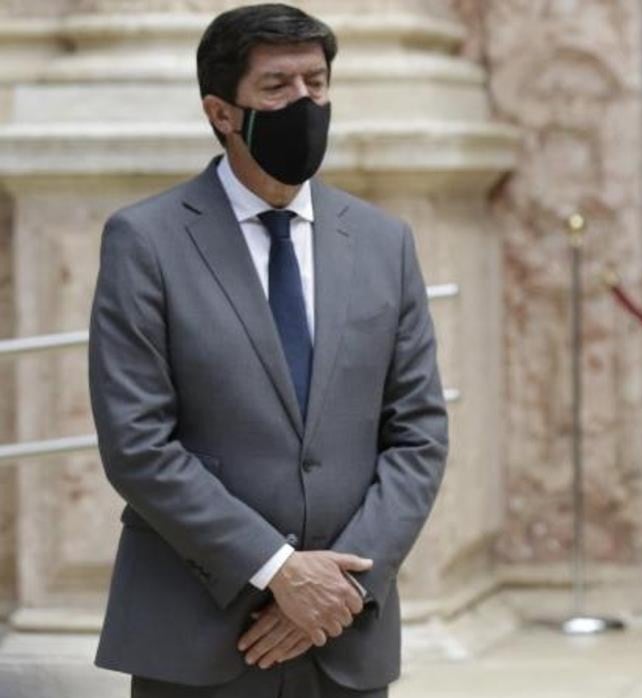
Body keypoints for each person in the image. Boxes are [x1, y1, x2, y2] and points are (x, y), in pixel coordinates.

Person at [87, 4, 448, 697]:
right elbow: (137, 443)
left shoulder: (383, 242)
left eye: (316, 83)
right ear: (222, 112)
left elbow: (419, 433)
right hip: (198, 634)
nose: (304, 103)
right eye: (278, 87)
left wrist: (336, 591)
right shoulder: (146, 241)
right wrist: (279, 570)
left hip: (346, 631)